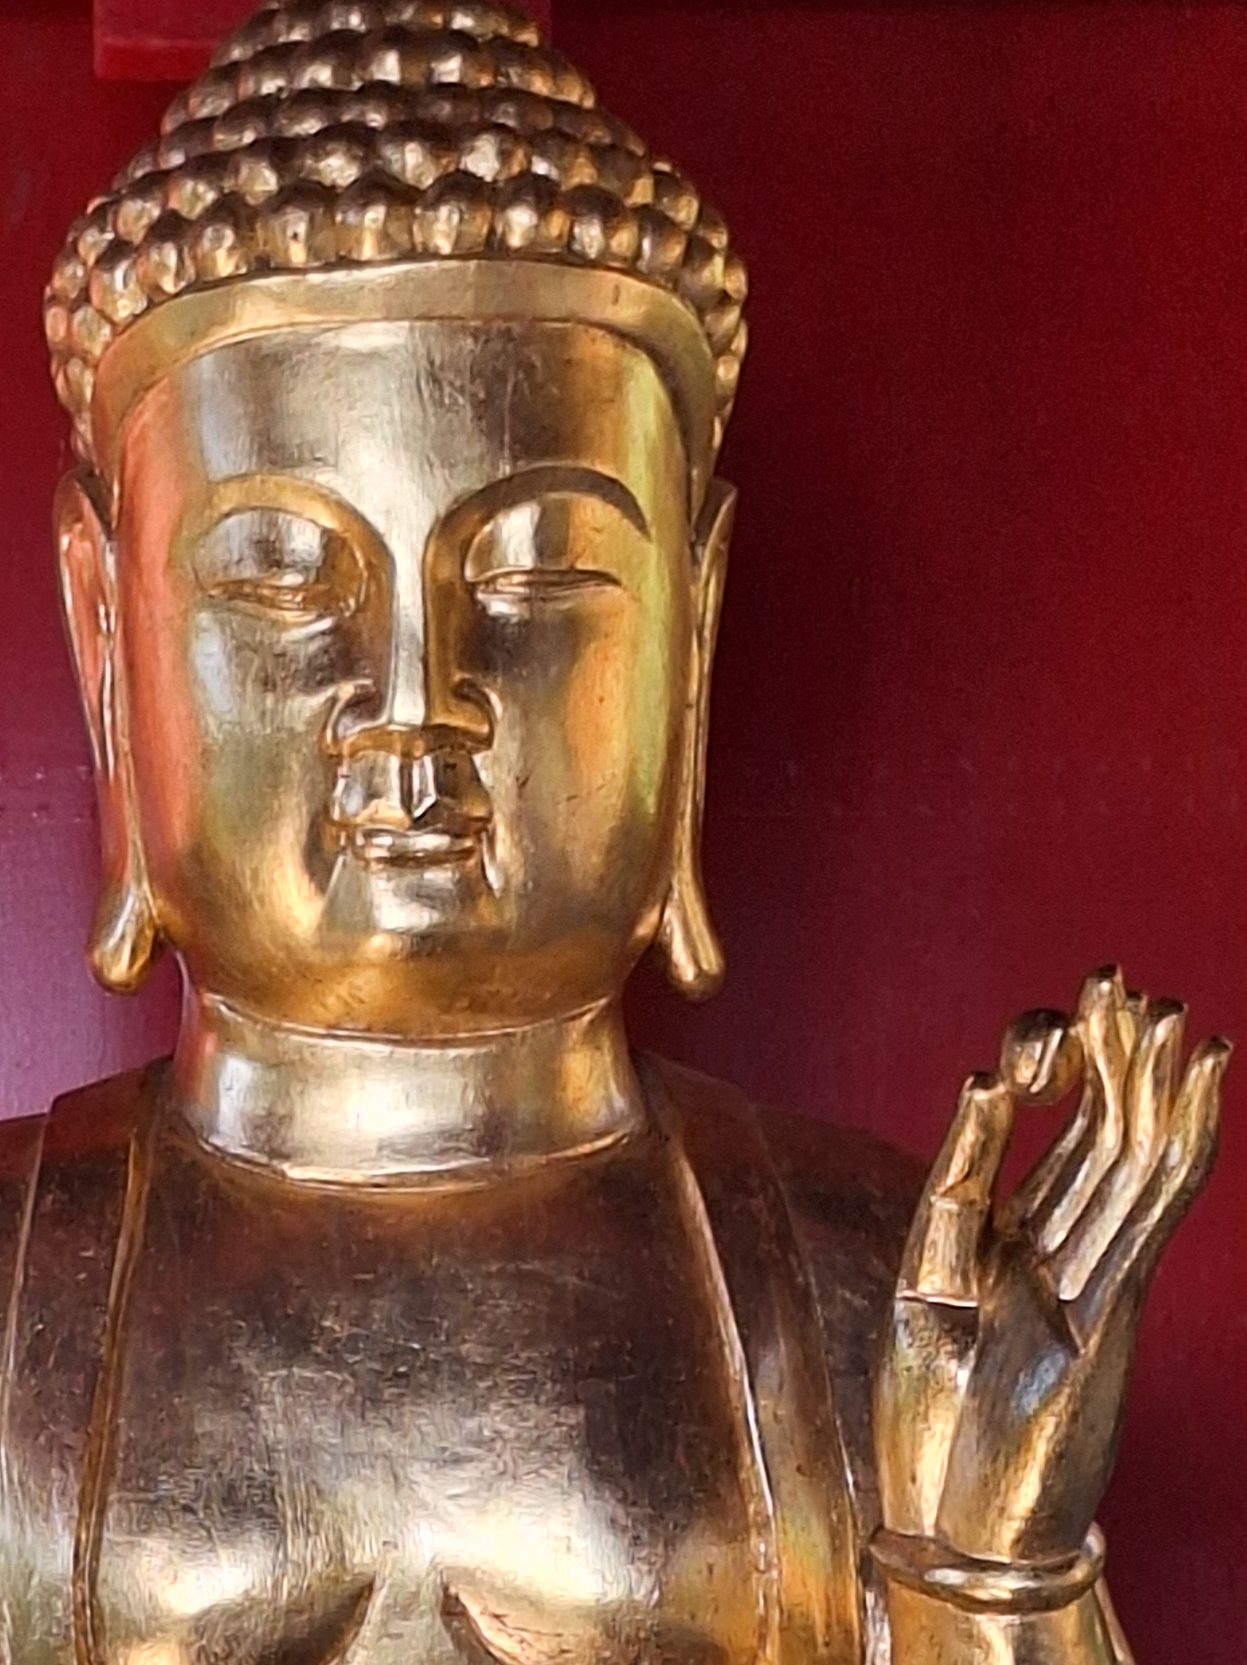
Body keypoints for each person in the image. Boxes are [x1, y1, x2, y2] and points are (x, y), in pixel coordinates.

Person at [5, 5, 1226, 1660]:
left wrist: (990, 1574)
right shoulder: (16, 1289)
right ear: (106, 632)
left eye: (536, 576)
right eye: (283, 577)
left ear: (690, 630)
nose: (415, 702)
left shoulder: (882, 1292)